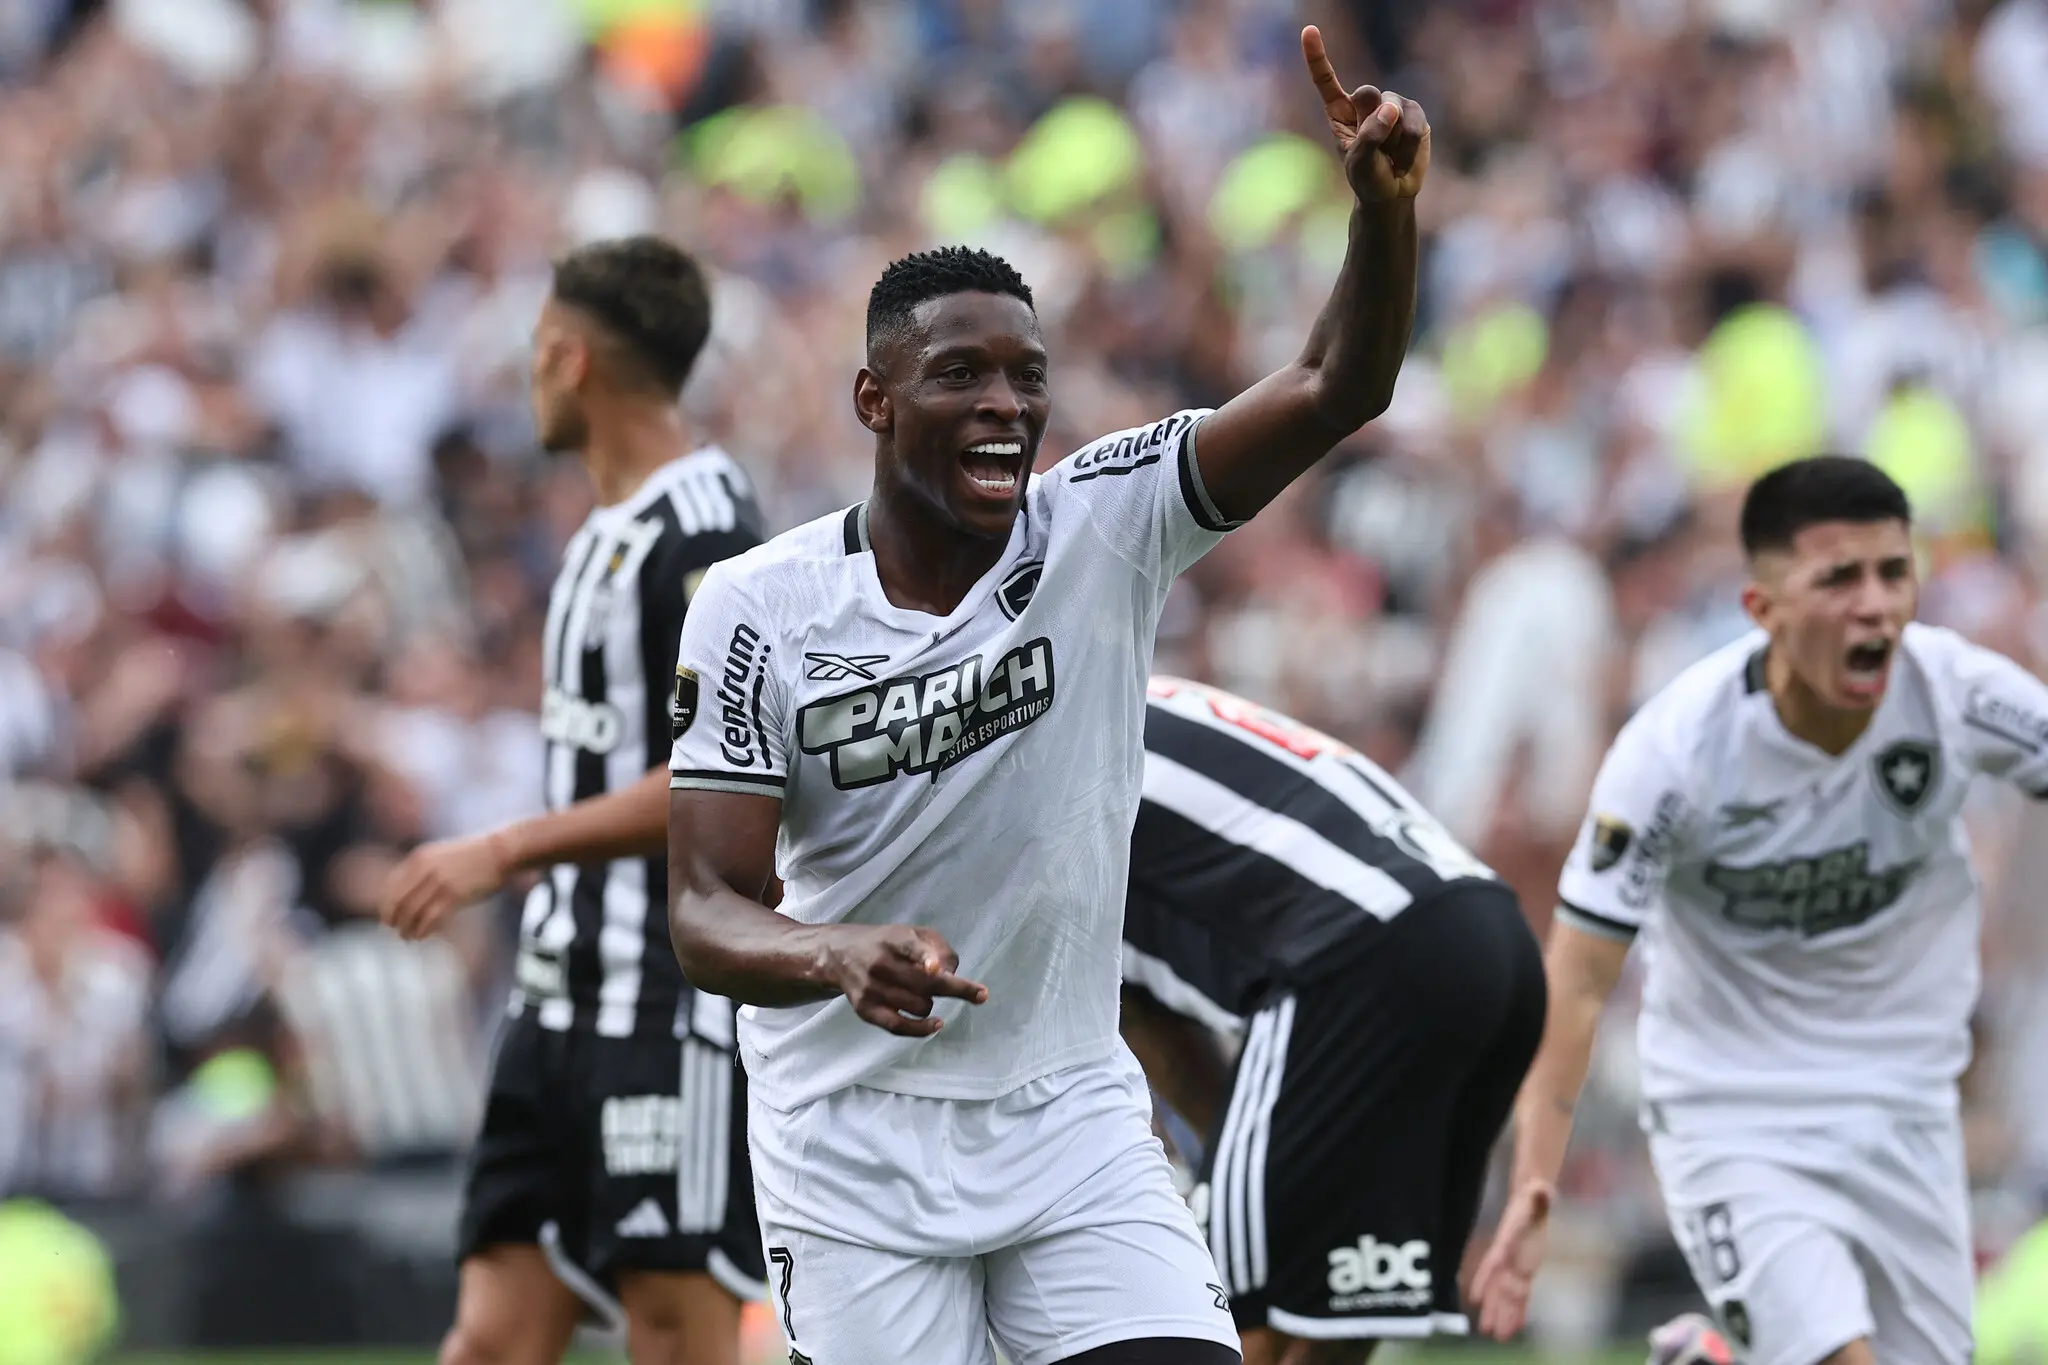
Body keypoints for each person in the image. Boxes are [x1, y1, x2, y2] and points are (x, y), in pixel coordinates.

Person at [663, 27, 1427, 1365]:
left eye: (1026, 376)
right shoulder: (757, 607)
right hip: (852, 1151)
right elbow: (704, 908)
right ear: (872, 400)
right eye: (959, 375)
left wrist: (1382, 217)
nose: (1004, 405)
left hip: (1068, 1119)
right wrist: (830, 953)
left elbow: (1333, 386)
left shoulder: (1103, 523)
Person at [1471, 455, 2048, 1365]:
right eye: (1839, 578)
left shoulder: (1957, 692)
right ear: (1763, 608)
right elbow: (1578, 979)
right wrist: (1534, 1180)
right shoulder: (1674, 754)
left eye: (1893, 573)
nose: (1875, 605)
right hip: (1734, 1111)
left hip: (1907, 1102)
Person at [379, 236, 768, 1365]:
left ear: (570, 358)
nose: (530, 375)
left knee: (675, 1335)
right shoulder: (606, 529)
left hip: (661, 1004)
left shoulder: (705, 530)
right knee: (490, 1339)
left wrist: (505, 849)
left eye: (536, 350)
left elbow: (722, 771)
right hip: (554, 1000)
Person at [1117, 676, 1545, 1364]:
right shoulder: (1119, 694)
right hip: (1494, 946)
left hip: (1359, 956)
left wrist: (1231, 1182)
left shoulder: (1044, 750)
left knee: (1224, 1320)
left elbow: (1136, 1022)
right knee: (1333, 1314)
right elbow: (1144, 1012)